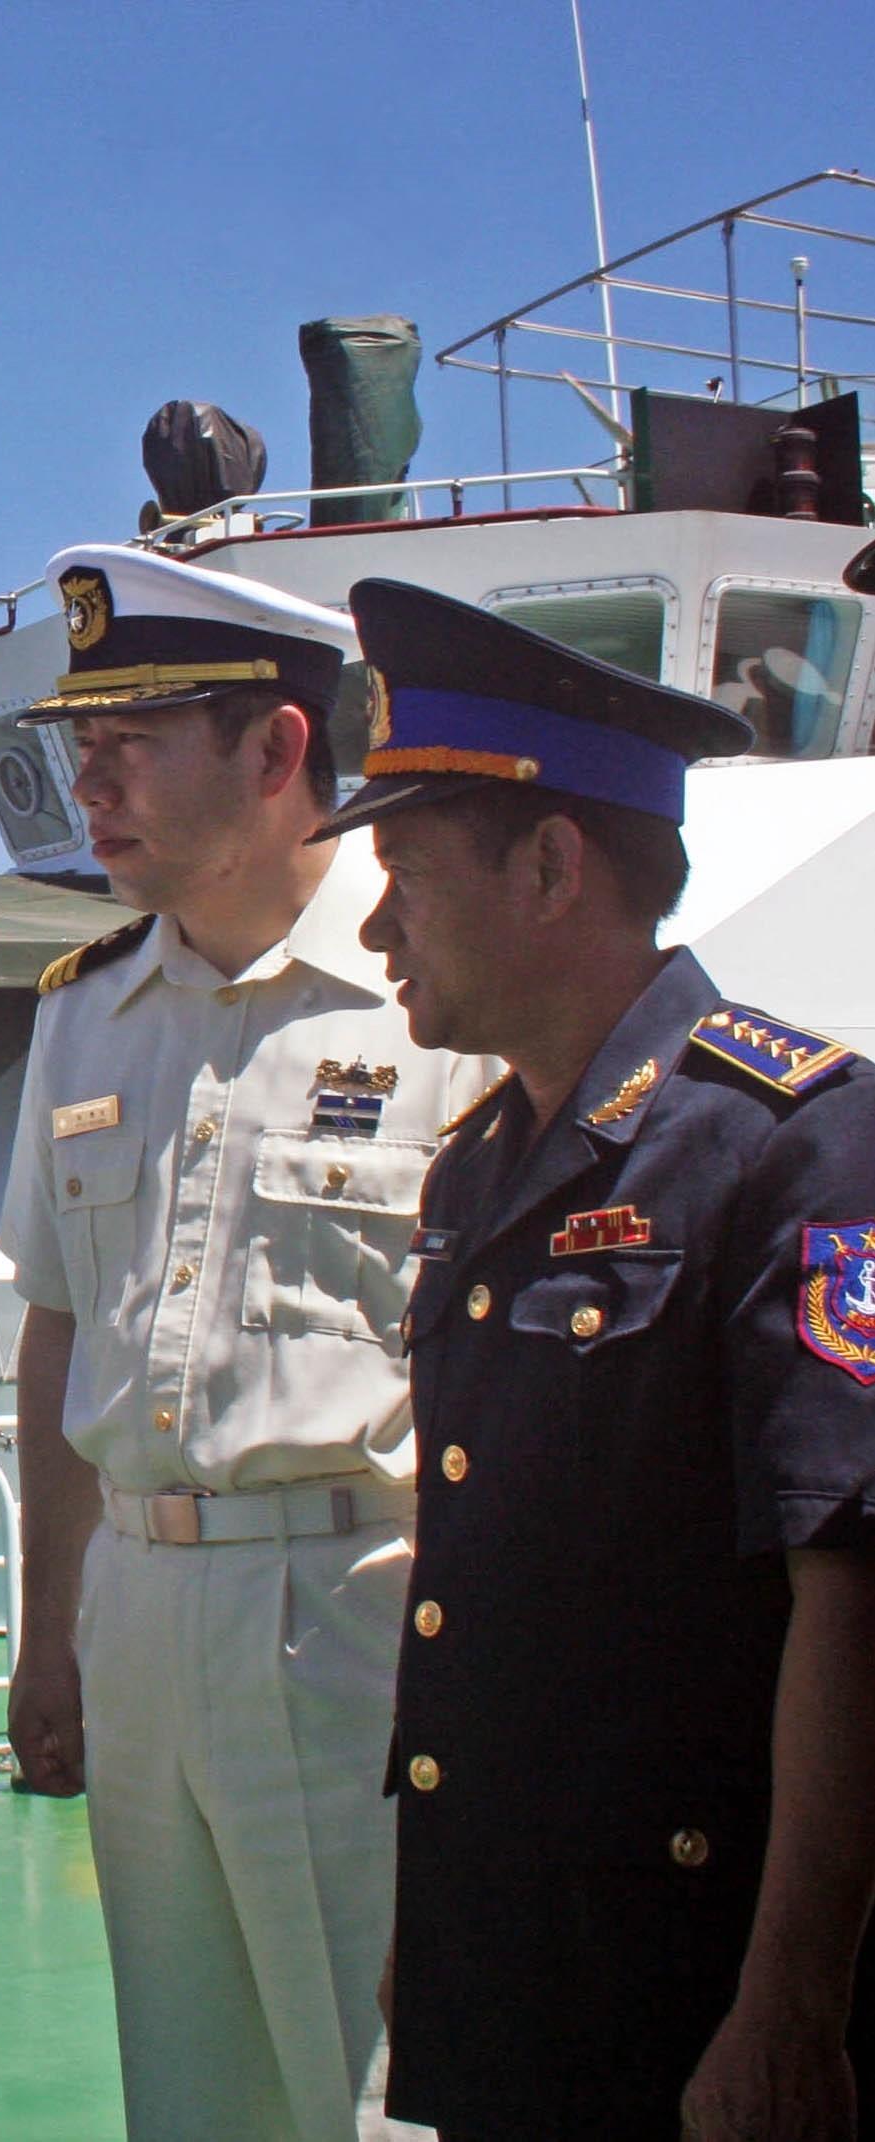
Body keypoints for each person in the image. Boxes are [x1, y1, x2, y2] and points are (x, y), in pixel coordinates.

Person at [328, 578, 875, 2140]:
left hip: (692, 1985)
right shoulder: (476, 1168)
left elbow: (848, 1588)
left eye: (402, 874)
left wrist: (788, 2002)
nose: (375, 929)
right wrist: (431, 1941)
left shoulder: (797, 1146)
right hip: (511, 1961)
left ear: (551, 862)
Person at [0, 544, 493, 2142]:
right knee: (192, 2097)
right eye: (80, 740)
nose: (86, 777)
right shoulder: (80, 1011)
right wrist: (45, 1630)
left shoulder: (431, 993)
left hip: (360, 1607)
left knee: (387, 2084)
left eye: (127, 738)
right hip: (136, 1610)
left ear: (278, 750)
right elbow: (55, 1331)